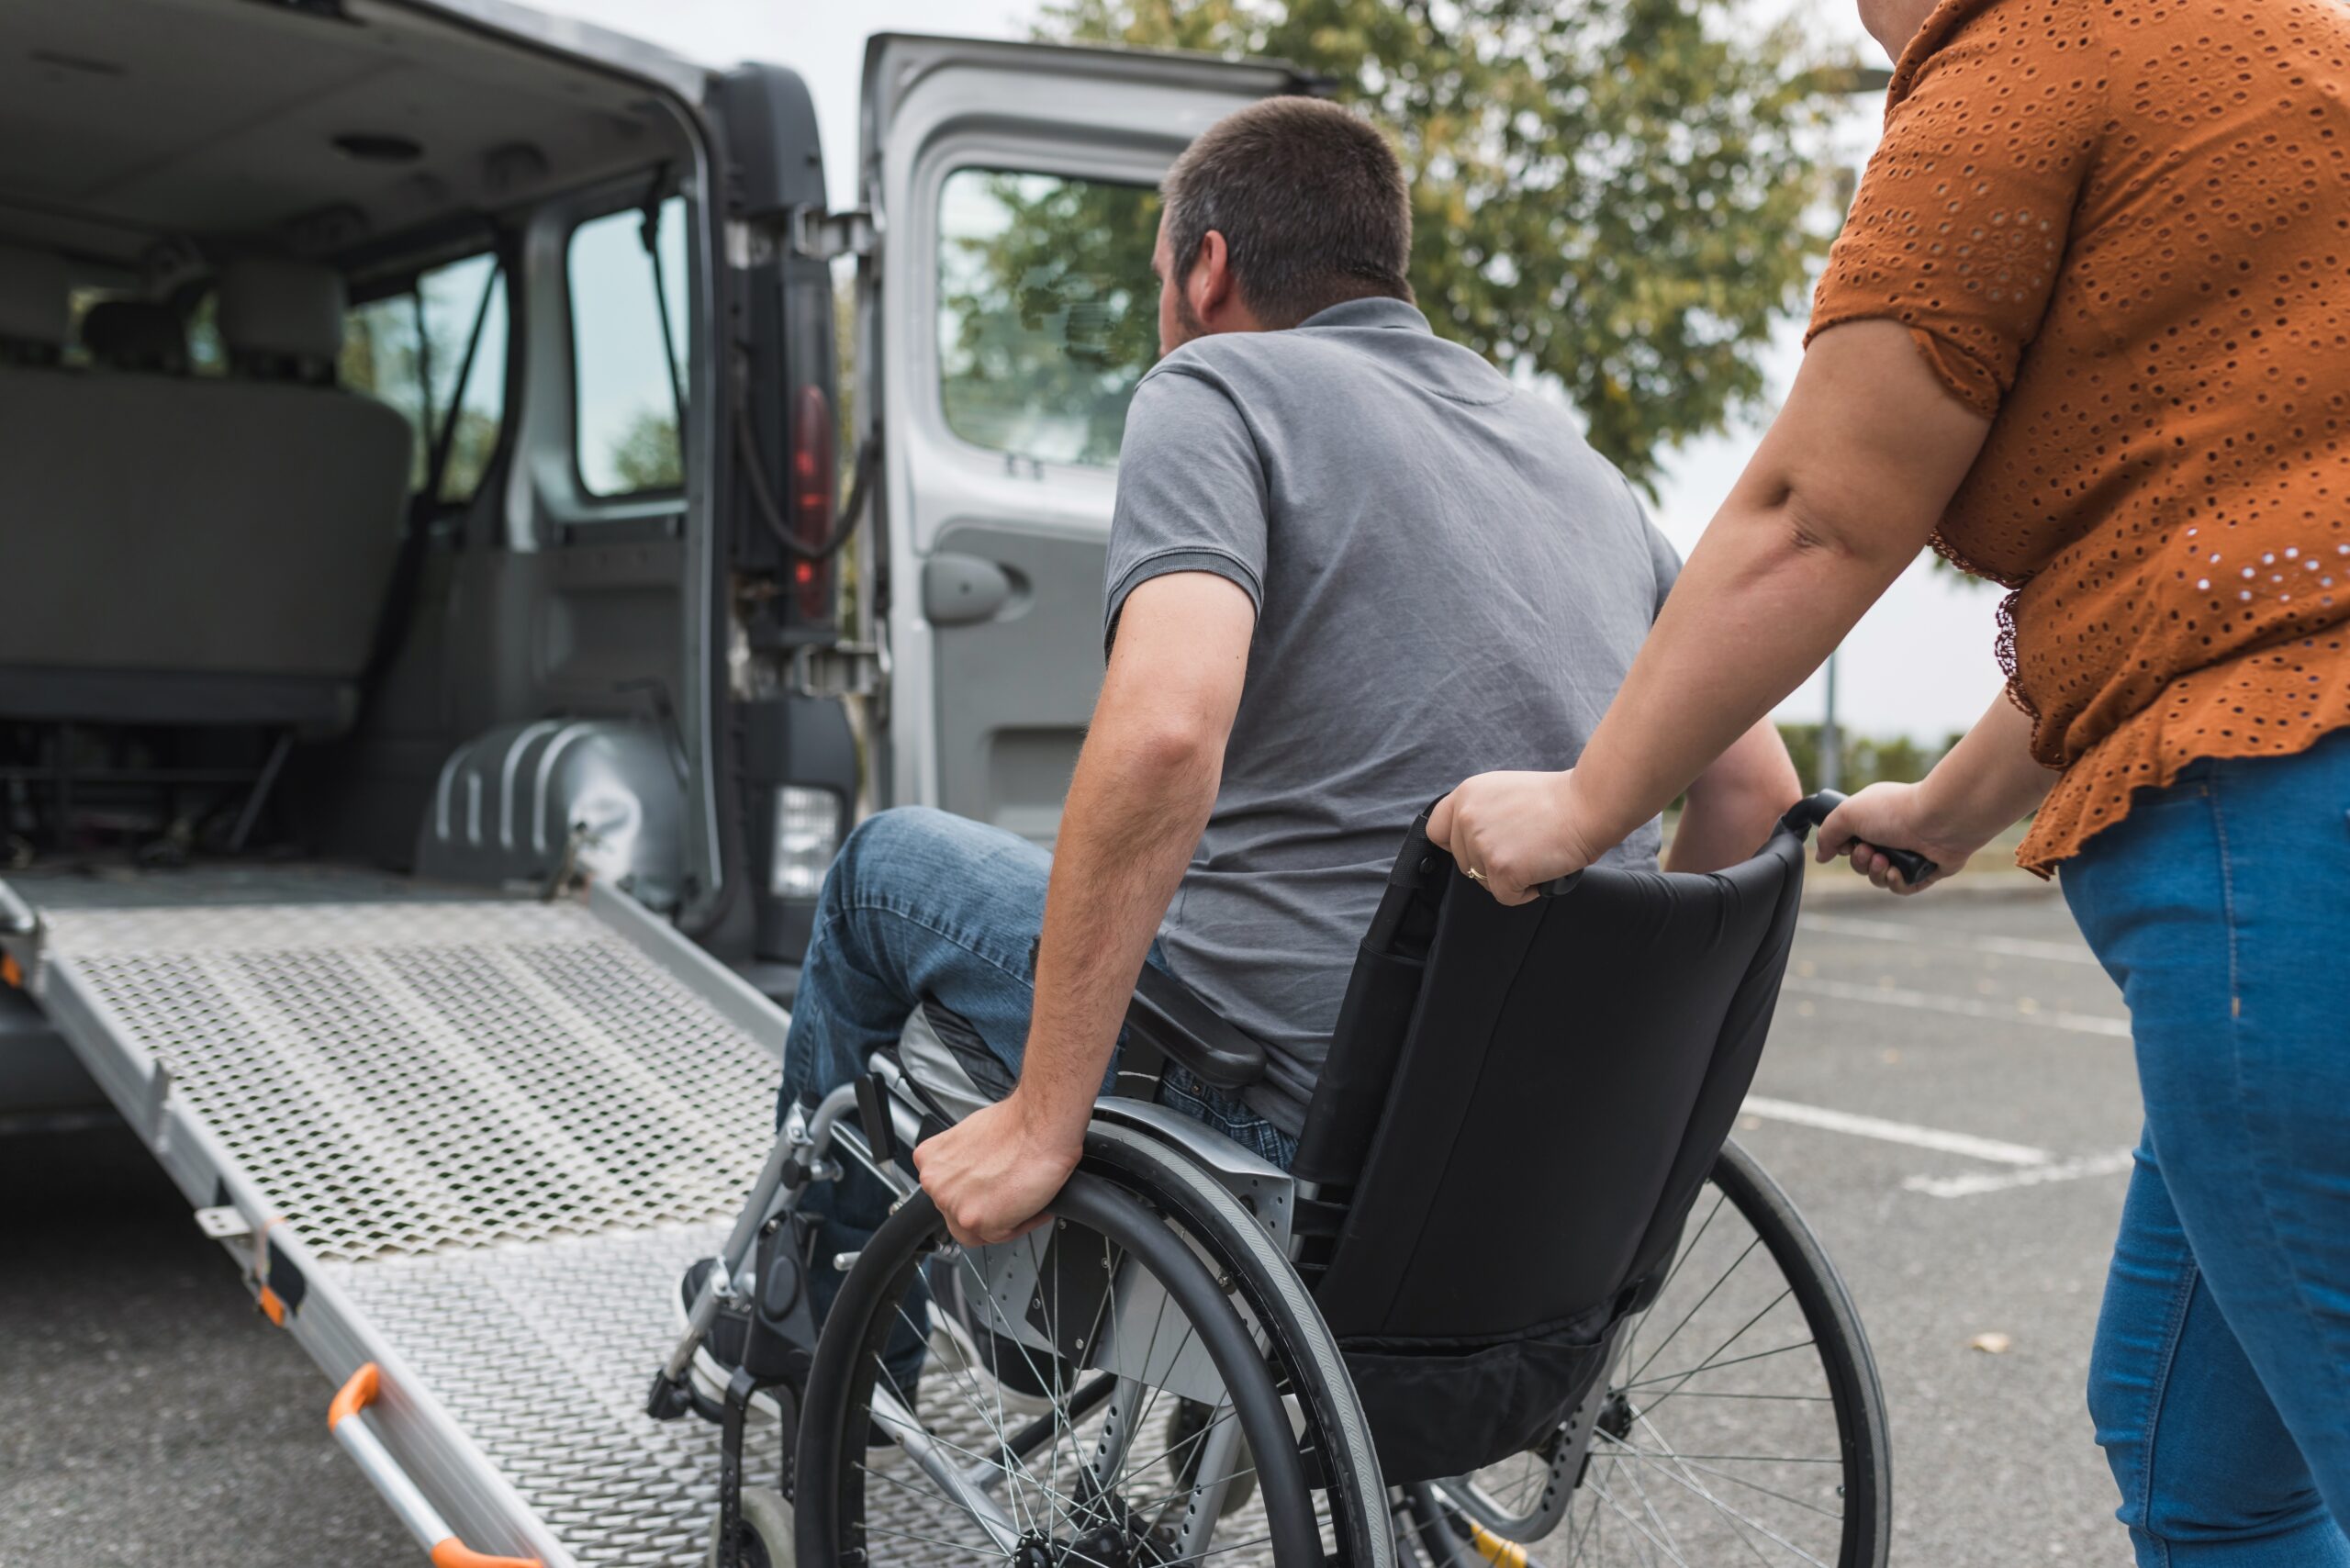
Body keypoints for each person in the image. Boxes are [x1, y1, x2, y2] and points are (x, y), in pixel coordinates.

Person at [685, 94, 1799, 1395]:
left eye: (1160, 275)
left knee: (881, 872)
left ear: (1207, 267)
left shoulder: (1214, 386)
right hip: (1509, 1128)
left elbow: (1164, 738)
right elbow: (1754, 790)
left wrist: (1047, 1120)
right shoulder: (1581, 468)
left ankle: (805, 1321)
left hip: (1292, 1098)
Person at [1430, 0, 2350, 1561]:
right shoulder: (2282, 44)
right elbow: (2208, 565)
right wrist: (1941, 813)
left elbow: (1814, 513)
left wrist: (1588, 805)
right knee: (2195, 1440)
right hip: (2273, 763)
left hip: (2284, 829)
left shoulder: (2019, 62)